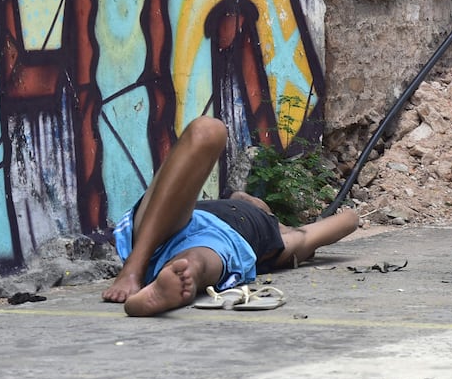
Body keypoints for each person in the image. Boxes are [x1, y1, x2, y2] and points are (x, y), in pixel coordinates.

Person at [101, 116, 359, 316]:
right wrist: (243, 198)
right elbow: (237, 197)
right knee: (208, 131)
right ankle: (149, 270)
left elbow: (349, 220)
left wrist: (286, 228)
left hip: (216, 244)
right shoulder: (231, 205)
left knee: (193, 262)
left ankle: (161, 281)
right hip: (166, 221)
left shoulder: (280, 238)